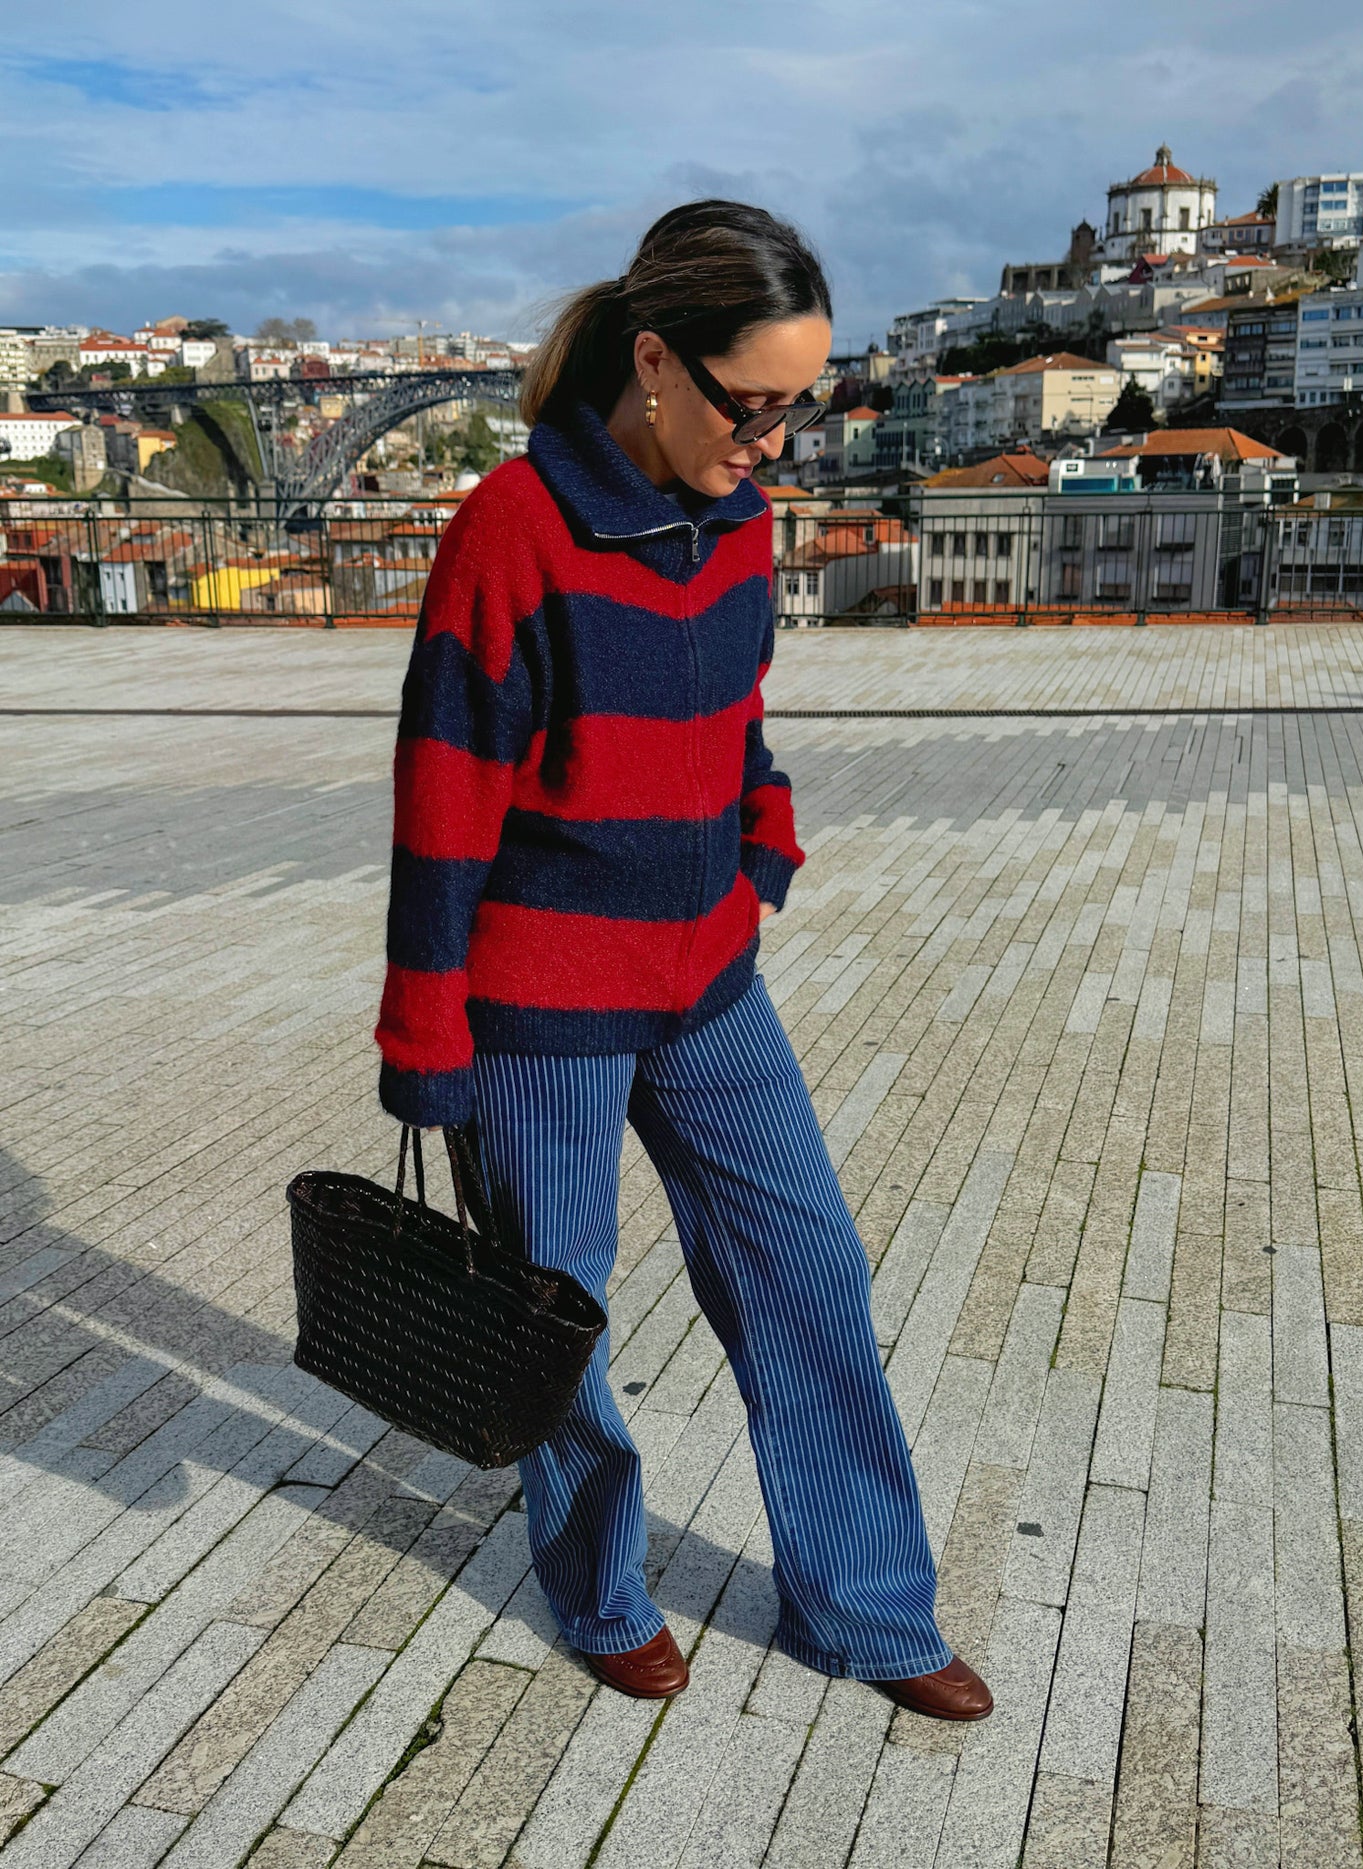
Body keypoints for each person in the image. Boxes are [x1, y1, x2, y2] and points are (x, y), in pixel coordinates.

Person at [374, 199, 991, 1721]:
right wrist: (425, 1034)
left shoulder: (741, 518)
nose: (776, 439)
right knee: (558, 1308)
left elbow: (740, 721)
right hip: (538, 1012)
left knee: (809, 1271)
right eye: (753, 402)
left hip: (708, 987)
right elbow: (444, 790)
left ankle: (863, 1605)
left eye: (802, 405)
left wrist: (759, 849)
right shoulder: (511, 530)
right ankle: (596, 1586)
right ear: (654, 360)